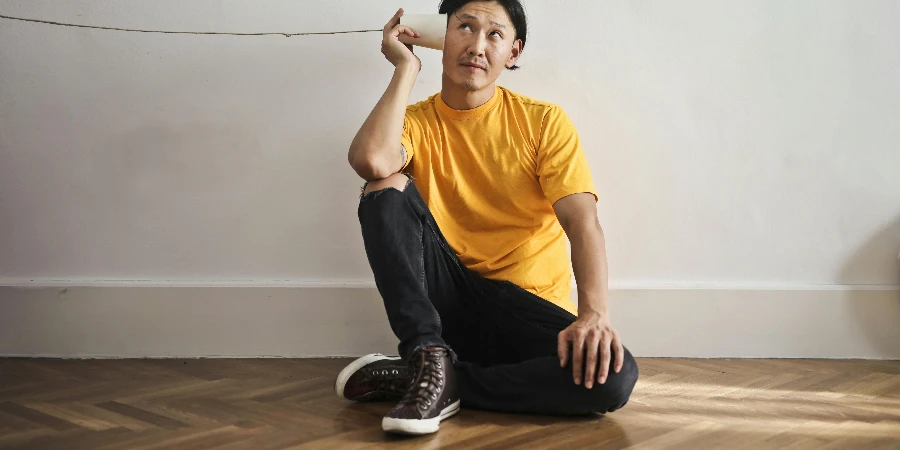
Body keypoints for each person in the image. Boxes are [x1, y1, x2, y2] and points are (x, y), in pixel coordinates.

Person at [335, 0, 639, 436]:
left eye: (494, 34)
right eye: (465, 27)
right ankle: (428, 357)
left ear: (512, 52)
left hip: (525, 308)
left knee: (614, 376)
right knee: (383, 188)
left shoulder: (543, 122)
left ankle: (432, 381)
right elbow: (370, 160)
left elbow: (582, 222)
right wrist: (405, 69)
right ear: (442, 35)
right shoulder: (416, 123)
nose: (477, 45)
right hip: (448, 303)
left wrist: (595, 313)